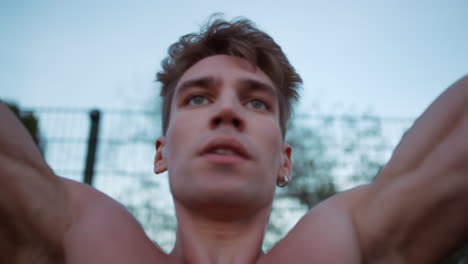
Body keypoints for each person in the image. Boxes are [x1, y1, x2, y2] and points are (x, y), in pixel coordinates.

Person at [1, 16, 467, 264]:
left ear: (285, 161)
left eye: (258, 103)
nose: (227, 111)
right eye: (199, 99)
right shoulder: (85, 238)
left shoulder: (340, 243)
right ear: (161, 151)